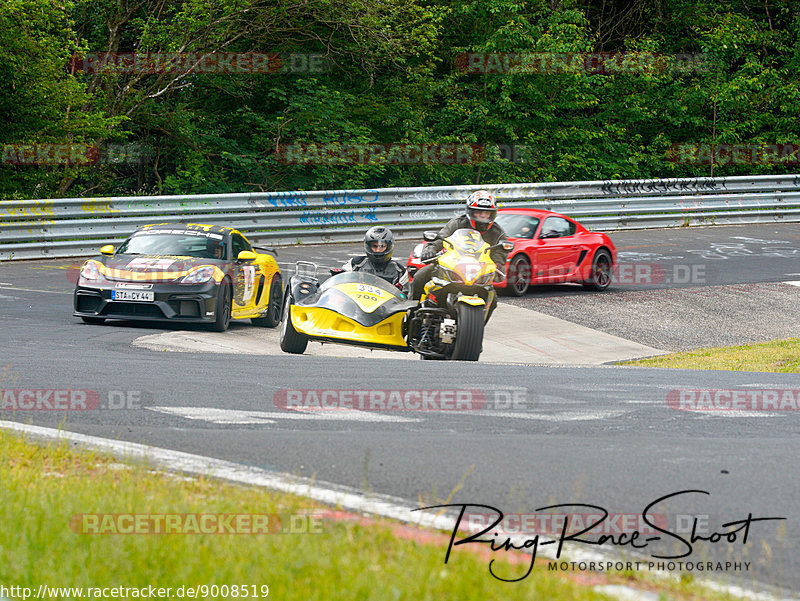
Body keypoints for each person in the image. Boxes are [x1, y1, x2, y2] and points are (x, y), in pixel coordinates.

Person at [411, 190, 509, 319]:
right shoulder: (457, 223)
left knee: (493, 299)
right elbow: (440, 238)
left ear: (493, 214)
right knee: (419, 277)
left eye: (487, 213)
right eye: (479, 212)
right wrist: (430, 249)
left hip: (478, 273)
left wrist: (497, 266)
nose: (483, 216)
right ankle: (411, 312)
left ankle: (478, 324)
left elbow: (500, 254)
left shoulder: (498, 233)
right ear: (470, 212)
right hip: (452, 266)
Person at [342, 225, 409, 288]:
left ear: (389, 247)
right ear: (368, 247)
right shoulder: (355, 264)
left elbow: (406, 296)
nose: (378, 250)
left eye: (382, 246)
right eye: (374, 246)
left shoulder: (399, 271)